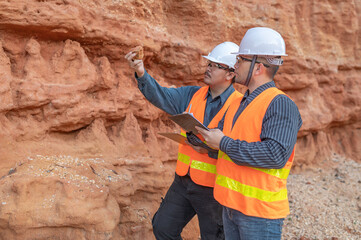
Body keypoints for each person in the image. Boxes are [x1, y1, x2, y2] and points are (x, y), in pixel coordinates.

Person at [125, 42, 243, 240]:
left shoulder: (239, 106)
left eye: (215, 65)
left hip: (213, 188)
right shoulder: (191, 95)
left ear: (230, 74)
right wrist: (140, 71)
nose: (208, 68)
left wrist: (212, 149)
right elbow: (161, 95)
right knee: (163, 228)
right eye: (209, 64)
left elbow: (240, 148)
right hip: (183, 181)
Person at [196, 27, 303, 239]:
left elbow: (275, 155)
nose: (234, 65)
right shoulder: (240, 102)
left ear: (258, 68)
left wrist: (223, 143)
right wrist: (208, 145)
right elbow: (233, 146)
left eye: (240, 60)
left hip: (259, 215)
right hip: (231, 207)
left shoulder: (280, 104)